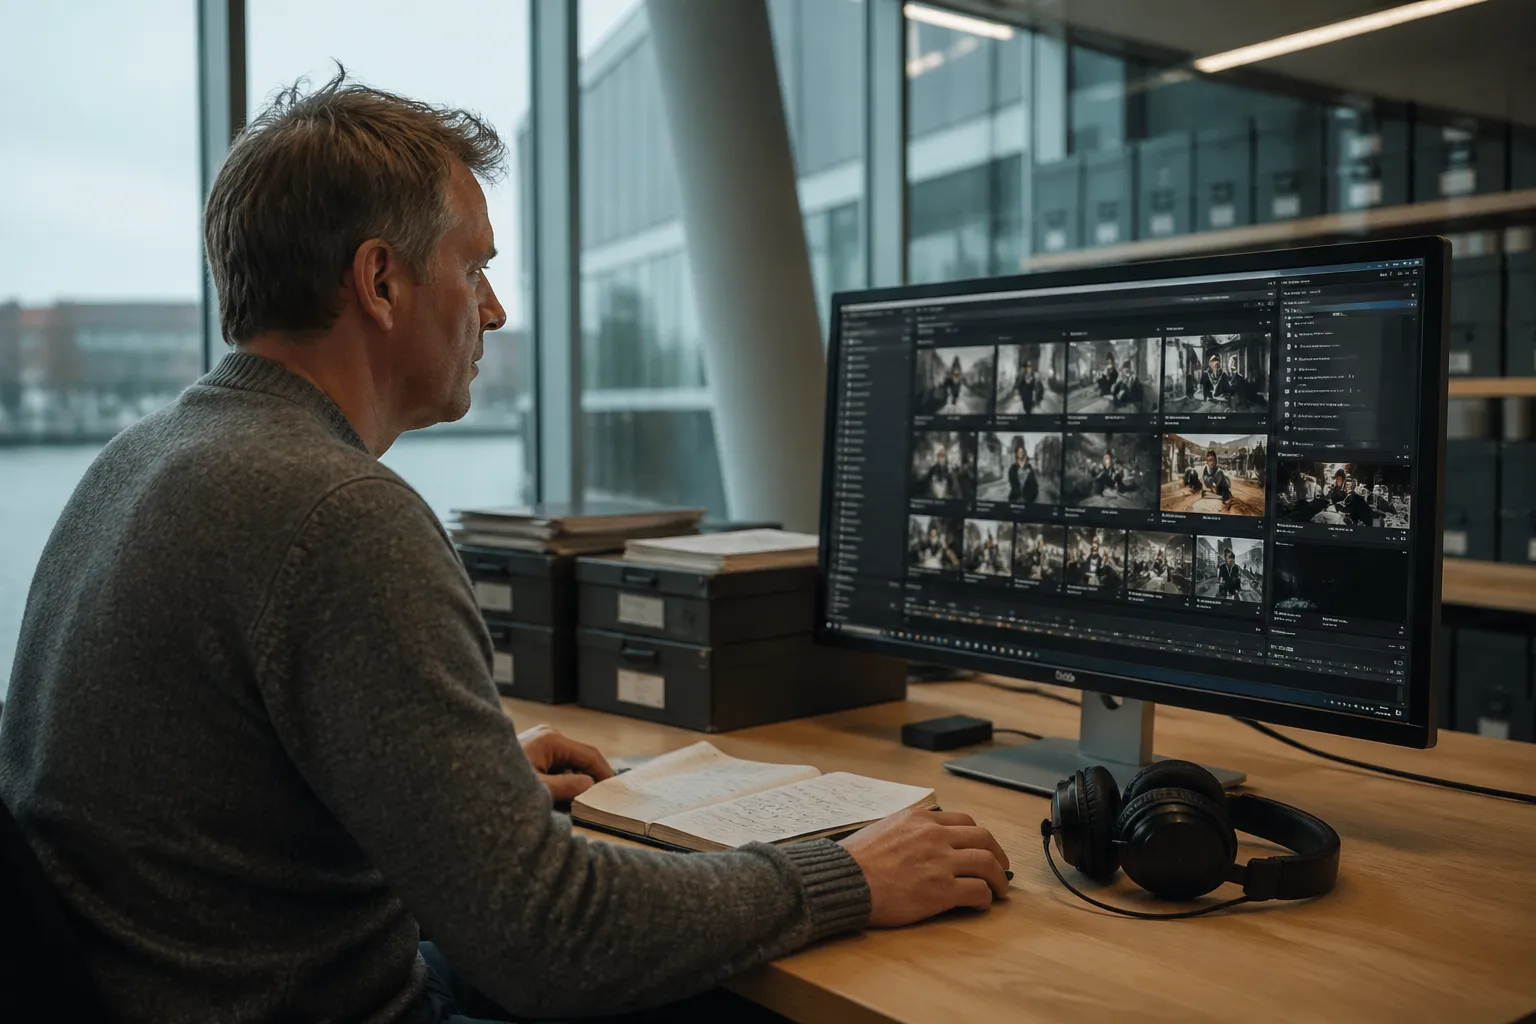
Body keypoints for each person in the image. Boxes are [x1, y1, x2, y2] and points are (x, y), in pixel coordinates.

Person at [0, 75, 1009, 1024]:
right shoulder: (338, 511)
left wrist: (454, 787)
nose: (495, 309)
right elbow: (549, 935)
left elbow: (218, 811)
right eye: (474, 266)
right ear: (381, 281)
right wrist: (849, 876)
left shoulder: (145, 456)